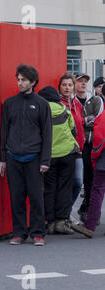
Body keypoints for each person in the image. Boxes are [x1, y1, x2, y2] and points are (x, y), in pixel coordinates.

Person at [0, 63, 52, 246]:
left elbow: (47, 134)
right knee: (17, 197)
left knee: (36, 198)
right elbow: (4, 133)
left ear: (33, 82)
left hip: (34, 158)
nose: (20, 83)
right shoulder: (9, 104)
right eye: (18, 79)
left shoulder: (42, 105)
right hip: (13, 157)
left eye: (23, 80)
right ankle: (19, 233)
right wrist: (3, 159)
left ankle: (38, 234)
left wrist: (45, 161)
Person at [38, 86, 78, 235]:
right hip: (67, 153)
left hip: (49, 156)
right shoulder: (65, 110)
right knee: (65, 188)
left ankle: (50, 223)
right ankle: (61, 222)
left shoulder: (41, 111)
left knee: (49, 189)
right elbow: (73, 130)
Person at [71, 101, 105, 238]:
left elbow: (99, 139)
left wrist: (94, 156)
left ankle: (89, 226)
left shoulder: (102, 116)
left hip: (103, 159)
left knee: (97, 190)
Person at [77, 74, 104, 222]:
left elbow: (97, 121)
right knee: (85, 180)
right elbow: (76, 122)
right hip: (81, 144)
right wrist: (86, 120)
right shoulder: (73, 101)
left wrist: (84, 121)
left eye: (84, 82)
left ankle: (91, 211)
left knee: (94, 179)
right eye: (79, 81)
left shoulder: (96, 100)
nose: (82, 84)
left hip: (94, 143)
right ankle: (86, 208)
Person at [58, 73, 85, 209]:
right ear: (60, 87)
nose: (67, 88)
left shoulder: (77, 104)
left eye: (70, 85)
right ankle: (62, 215)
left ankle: (67, 212)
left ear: (73, 87)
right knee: (63, 184)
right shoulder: (58, 104)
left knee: (78, 181)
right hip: (63, 150)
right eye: (64, 85)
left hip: (78, 150)